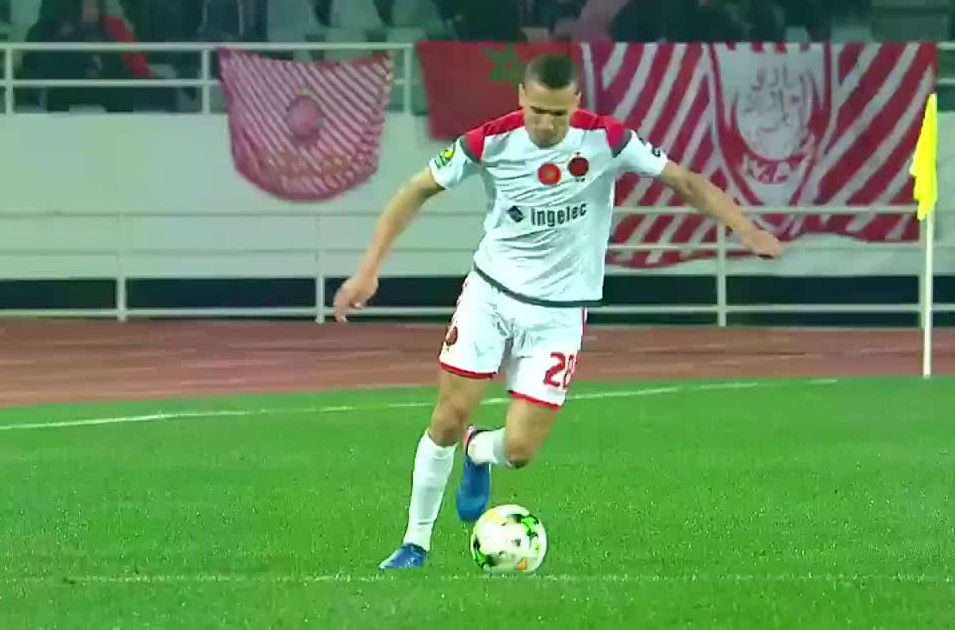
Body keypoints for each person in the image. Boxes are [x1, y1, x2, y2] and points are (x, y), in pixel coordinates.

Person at [331, 53, 784, 570]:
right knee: (448, 417)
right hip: (491, 296)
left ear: (577, 103)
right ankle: (415, 543)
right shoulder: (490, 141)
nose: (546, 124)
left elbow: (685, 181)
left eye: (558, 114)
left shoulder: (608, 140)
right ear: (521, 98)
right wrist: (368, 270)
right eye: (538, 111)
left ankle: (479, 451)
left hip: (560, 314)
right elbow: (415, 190)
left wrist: (746, 229)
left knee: (520, 450)